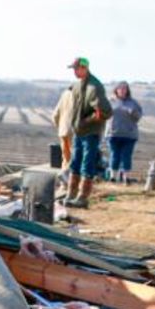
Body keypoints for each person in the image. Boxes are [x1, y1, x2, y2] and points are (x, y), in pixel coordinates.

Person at [63, 57, 112, 208]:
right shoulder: (77, 86)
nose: (75, 72)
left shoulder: (95, 87)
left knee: (87, 164)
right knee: (75, 163)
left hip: (91, 132)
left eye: (77, 68)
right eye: (73, 69)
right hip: (78, 131)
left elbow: (106, 112)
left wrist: (88, 121)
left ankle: (83, 197)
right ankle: (71, 194)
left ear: (84, 68)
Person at [106, 81, 143, 185]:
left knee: (126, 156)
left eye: (124, 89)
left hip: (129, 135)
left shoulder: (133, 103)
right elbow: (104, 113)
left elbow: (139, 117)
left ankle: (126, 178)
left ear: (127, 91)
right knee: (114, 155)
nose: (122, 91)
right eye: (120, 88)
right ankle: (113, 177)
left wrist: (133, 112)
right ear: (116, 90)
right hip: (113, 133)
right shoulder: (111, 101)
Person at [51, 87, 75, 170]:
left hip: (63, 130)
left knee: (65, 157)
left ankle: (64, 177)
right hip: (74, 130)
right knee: (74, 156)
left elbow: (55, 115)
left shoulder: (64, 95)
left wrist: (60, 126)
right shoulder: (79, 96)